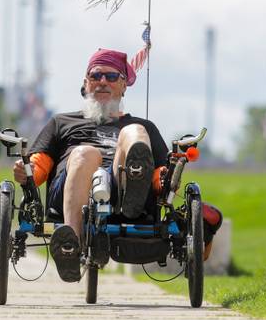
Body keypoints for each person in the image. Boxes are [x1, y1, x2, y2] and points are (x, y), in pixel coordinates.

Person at [13, 48, 220, 282]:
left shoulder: (146, 126)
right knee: (86, 154)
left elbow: (160, 174)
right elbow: (39, 164)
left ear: (123, 86)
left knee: (135, 132)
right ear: (85, 83)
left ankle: (134, 188)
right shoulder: (62, 122)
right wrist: (26, 171)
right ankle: (71, 244)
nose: (103, 81)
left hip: (120, 186)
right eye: (96, 76)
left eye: (111, 76)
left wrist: (165, 180)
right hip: (72, 184)